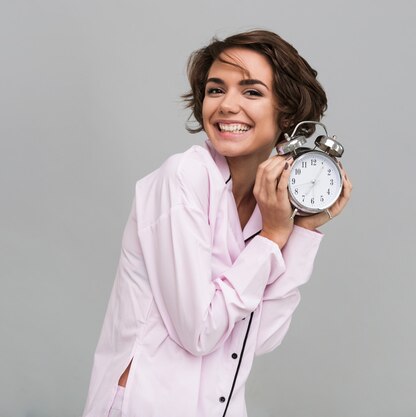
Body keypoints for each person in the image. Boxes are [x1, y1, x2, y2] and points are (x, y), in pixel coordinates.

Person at [82, 29, 351, 417]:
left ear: (287, 113)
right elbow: (200, 331)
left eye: (252, 92)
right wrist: (274, 238)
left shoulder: (269, 204)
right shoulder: (182, 179)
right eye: (215, 90)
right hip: (145, 404)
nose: (227, 105)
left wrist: (302, 230)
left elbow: (260, 338)